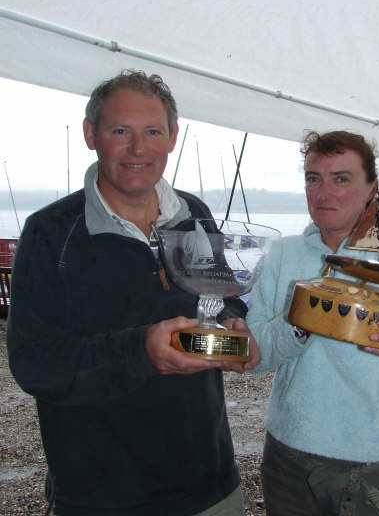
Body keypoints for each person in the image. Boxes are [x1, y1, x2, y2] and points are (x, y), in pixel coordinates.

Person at [7, 70, 260, 516]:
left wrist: (233, 325)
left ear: (172, 137)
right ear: (92, 134)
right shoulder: (50, 234)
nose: (139, 148)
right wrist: (140, 350)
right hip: (101, 497)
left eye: (152, 132)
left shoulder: (194, 215)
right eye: (120, 131)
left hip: (211, 487)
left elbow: (219, 298)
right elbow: (35, 364)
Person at [246, 130, 379, 516]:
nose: (323, 193)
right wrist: (302, 321)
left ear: (372, 188)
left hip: (376, 455)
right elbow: (257, 357)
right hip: (288, 451)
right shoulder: (282, 256)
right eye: (313, 178)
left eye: (341, 179)